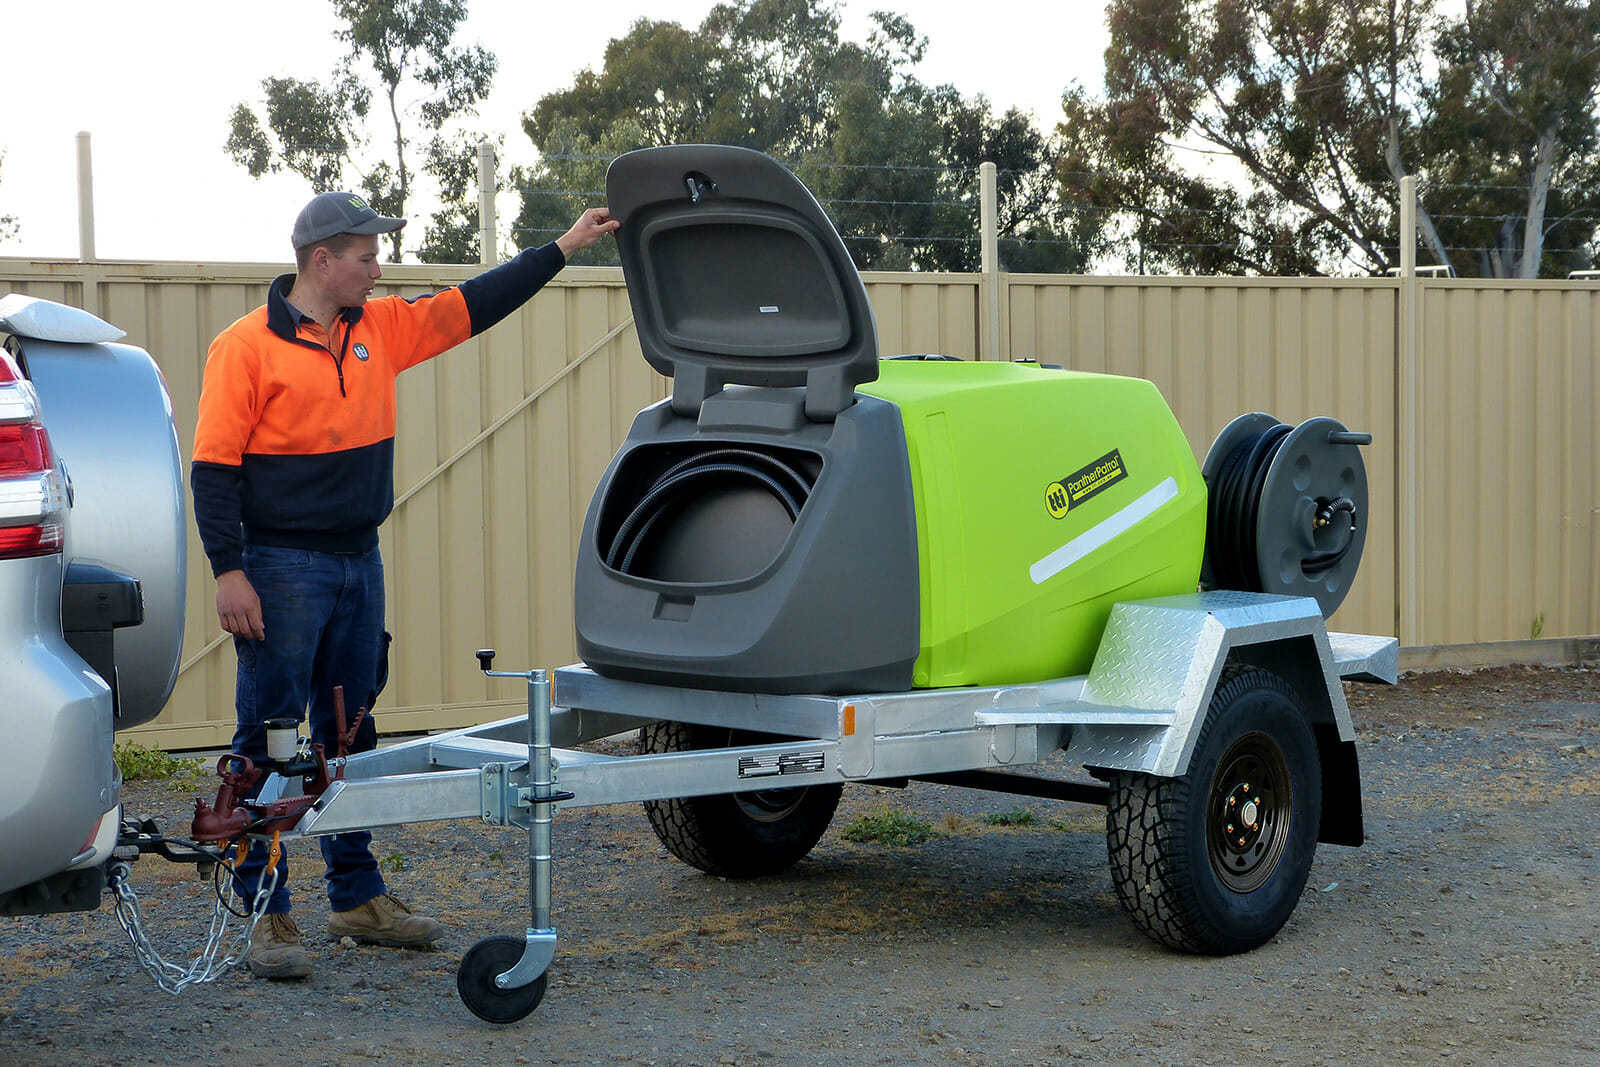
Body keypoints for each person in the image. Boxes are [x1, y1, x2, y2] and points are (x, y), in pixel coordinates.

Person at [191, 191, 619, 979]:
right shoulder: (243, 347)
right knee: (267, 742)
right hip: (279, 567)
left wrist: (564, 245)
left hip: (359, 559)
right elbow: (213, 472)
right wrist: (229, 572)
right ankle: (262, 909)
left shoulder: (380, 329)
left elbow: (476, 302)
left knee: (349, 737)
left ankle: (356, 896)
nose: (378, 269)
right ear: (323, 260)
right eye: (366, 256)